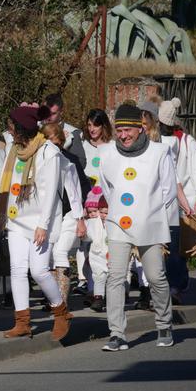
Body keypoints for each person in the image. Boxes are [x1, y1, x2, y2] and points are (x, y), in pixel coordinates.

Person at [97, 104, 177, 351]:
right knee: (115, 277)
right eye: (119, 130)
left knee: (156, 277)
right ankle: (117, 333)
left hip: (150, 223)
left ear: (140, 128)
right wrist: (118, 211)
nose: (123, 136)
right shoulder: (107, 153)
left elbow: (169, 190)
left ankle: (164, 324)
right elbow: (107, 188)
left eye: (128, 130)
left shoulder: (159, 152)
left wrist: (150, 212)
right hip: (118, 224)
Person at [0, 105, 71, 341]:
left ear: (22, 129)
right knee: (17, 270)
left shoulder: (48, 152)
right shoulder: (14, 150)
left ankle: (61, 312)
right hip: (16, 220)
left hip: (41, 222)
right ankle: (22, 322)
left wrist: (43, 225)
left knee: (39, 271)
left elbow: (50, 194)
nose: (9, 130)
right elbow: (5, 183)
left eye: (12, 127)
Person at [158, 98, 196, 303]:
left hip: (186, 198)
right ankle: (172, 282)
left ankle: (176, 284)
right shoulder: (156, 141)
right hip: (165, 200)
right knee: (169, 245)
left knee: (178, 245)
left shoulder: (187, 141)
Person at [41, 123, 89, 305]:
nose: (52, 146)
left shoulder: (69, 161)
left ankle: (61, 302)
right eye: (47, 142)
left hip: (70, 213)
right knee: (49, 257)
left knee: (60, 252)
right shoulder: (38, 160)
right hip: (49, 215)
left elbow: (80, 189)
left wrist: (81, 218)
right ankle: (52, 299)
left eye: (55, 142)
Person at [75, 108, 112, 295]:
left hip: (105, 202)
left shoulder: (112, 146)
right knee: (86, 243)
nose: (92, 129)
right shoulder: (83, 145)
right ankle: (88, 284)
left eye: (96, 125)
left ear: (103, 126)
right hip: (88, 201)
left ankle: (109, 283)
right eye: (89, 125)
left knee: (103, 244)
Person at [42, 93, 86, 169]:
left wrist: (62, 151)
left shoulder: (72, 133)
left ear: (61, 112)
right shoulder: (36, 128)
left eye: (53, 113)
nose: (48, 117)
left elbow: (81, 163)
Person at [83, 189, 108, 312]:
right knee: (98, 276)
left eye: (106, 213)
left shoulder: (113, 223)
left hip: (110, 254)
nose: (103, 215)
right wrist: (83, 235)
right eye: (101, 212)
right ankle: (98, 298)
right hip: (96, 254)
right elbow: (88, 236)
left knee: (113, 278)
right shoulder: (93, 222)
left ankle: (115, 298)